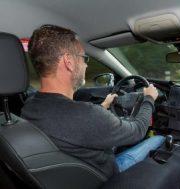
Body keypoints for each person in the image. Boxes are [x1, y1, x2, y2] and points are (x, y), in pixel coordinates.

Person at [21, 25, 165, 179]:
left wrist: (103, 106)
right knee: (160, 139)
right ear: (68, 61)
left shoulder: (29, 105)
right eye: (84, 58)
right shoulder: (86, 115)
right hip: (108, 177)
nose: (86, 65)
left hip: (73, 176)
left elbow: (76, 127)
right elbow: (138, 130)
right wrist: (149, 98)